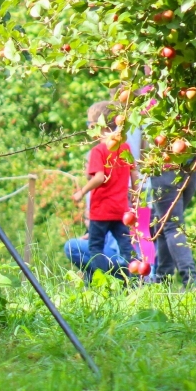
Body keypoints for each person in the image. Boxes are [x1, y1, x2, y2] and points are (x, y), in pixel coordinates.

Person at [71, 101, 139, 282]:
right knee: (126, 248)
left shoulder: (98, 151)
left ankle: (105, 282)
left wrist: (82, 192)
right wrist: (136, 195)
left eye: (88, 125)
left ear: (95, 126)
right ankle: (130, 282)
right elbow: (134, 174)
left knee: (95, 248)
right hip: (120, 210)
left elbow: (99, 177)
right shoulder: (124, 148)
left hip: (101, 210)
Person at [149, 162, 196, 286]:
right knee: (163, 224)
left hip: (166, 169)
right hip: (193, 171)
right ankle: (163, 280)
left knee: (172, 226)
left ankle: (190, 280)